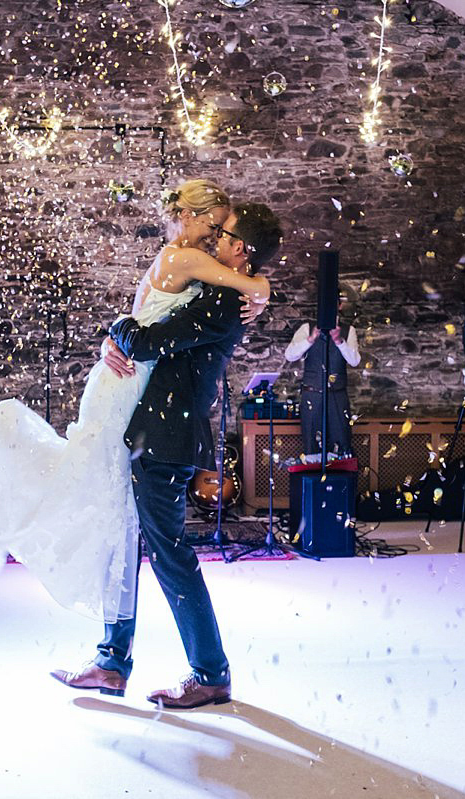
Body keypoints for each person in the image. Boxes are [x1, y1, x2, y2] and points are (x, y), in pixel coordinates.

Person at [0, 179, 270, 626]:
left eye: (223, 232)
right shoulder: (187, 258)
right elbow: (234, 289)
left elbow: (155, 319)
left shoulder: (180, 261)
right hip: (127, 385)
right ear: (190, 217)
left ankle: (110, 650)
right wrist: (263, 286)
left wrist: (115, 335)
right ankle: (5, 529)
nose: (216, 236)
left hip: (129, 384)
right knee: (89, 492)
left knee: (98, 499)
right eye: (214, 226)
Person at [51, 202, 283, 710]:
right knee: (126, 543)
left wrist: (117, 324)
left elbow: (148, 339)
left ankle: (210, 673)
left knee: (170, 556)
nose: (213, 240)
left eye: (222, 234)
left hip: (164, 441)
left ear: (240, 250)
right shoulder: (223, 292)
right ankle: (112, 662)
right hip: (154, 436)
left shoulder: (222, 303)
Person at [284, 306, 360, 460]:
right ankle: (315, 479)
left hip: (337, 396)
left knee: (341, 441)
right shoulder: (307, 328)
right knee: (312, 442)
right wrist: (310, 340)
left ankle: (338, 478)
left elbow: (355, 361)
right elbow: (290, 355)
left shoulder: (348, 330)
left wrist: (339, 342)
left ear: (338, 306)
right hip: (312, 394)